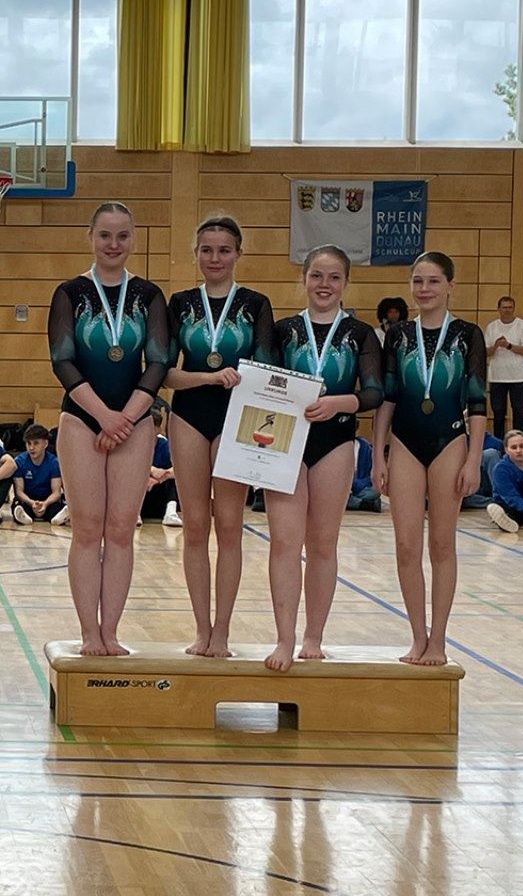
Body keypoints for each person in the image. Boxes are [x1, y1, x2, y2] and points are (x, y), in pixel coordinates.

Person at [49, 202, 171, 656]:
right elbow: (62, 359)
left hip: (135, 420)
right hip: (82, 417)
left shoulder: (149, 295)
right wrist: (104, 417)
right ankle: (88, 632)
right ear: (91, 237)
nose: (113, 244)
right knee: (87, 528)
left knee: (120, 529)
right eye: (105, 235)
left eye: (122, 236)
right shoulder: (70, 292)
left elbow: (158, 361)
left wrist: (126, 418)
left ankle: (112, 631)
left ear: (133, 239)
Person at [163, 215, 276, 657]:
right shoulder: (180, 303)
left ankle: (223, 631)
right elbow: (164, 373)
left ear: (238, 254)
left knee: (229, 526)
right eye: (206, 250)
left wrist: (241, 379)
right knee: (195, 525)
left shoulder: (256, 304)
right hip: (189, 415)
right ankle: (201, 629)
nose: (215, 258)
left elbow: (266, 371)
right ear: (195, 254)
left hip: (238, 420)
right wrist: (207, 378)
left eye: (224, 250)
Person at [266, 246, 383, 669]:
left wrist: (339, 403)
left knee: (322, 543)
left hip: (334, 441)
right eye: (316, 275)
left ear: (346, 282)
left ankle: (313, 636)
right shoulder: (282, 331)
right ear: (304, 279)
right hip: (286, 442)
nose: (324, 285)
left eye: (334, 277)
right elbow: (264, 382)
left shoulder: (361, 334)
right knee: (283, 542)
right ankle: (284, 638)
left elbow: (374, 391)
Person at [374, 251, 487, 667]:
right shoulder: (398, 335)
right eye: (418, 281)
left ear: (450, 285)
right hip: (404, 443)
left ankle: (438, 639)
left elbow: (477, 402)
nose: (424, 289)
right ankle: (417, 636)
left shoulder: (468, 334)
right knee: (406, 545)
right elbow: (387, 397)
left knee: (441, 543)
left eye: (434, 281)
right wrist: (378, 455)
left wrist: (473, 459)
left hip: (450, 442)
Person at [484, 296, 523, 437]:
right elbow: (485, 352)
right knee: (498, 413)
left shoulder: (522, 325)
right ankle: (499, 442)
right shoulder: (492, 327)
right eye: (504, 307)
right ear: (498, 309)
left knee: (519, 412)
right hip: (497, 377)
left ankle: (519, 441)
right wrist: (496, 346)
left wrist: (508, 346)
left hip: (518, 377)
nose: (507, 310)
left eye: (510, 307)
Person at [12, 423, 65, 524]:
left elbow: (56, 492)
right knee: (19, 506)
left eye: (36, 443)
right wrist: (32, 503)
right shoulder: (19, 461)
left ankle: (57, 517)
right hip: (28, 500)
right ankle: (23, 517)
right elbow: (19, 491)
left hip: (48, 499)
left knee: (56, 508)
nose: (31, 448)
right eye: (29, 443)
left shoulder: (54, 462)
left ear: (45, 444)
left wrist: (45, 503)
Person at [140, 406, 179, 523]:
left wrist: (163, 476)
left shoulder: (165, 445)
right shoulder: (134, 445)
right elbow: (127, 467)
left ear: (158, 428)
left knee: (174, 480)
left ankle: (171, 513)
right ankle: (134, 513)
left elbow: (181, 470)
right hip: (140, 493)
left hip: (159, 495)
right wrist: (151, 471)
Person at [347, 439, 382, 512]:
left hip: (362, 489)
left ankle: (361, 503)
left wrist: (353, 484)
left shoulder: (364, 446)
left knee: (373, 492)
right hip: (347, 489)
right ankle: (366, 504)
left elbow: (369, 478)